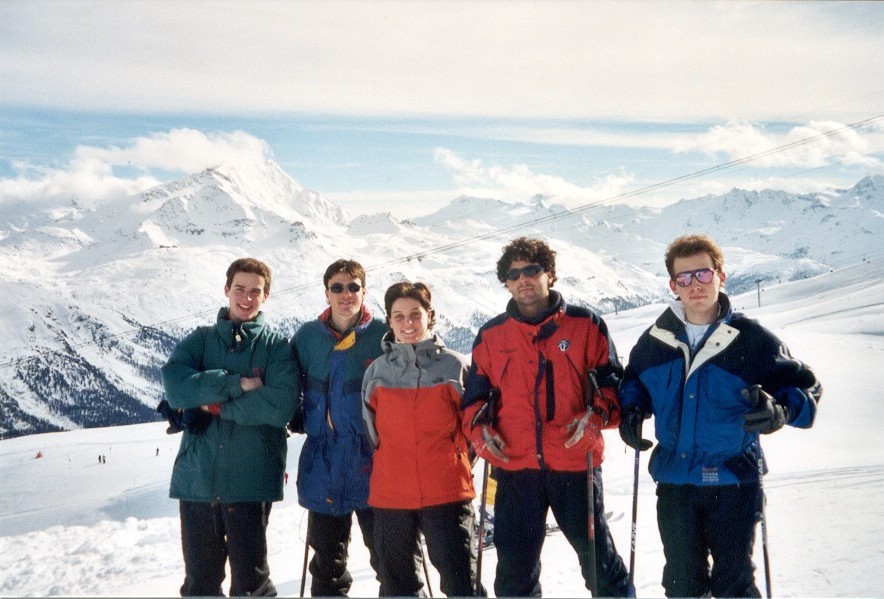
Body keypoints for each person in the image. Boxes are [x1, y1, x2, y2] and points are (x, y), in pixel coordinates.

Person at [618, 234, 822, 598]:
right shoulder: (655, 340)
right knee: (681, 584)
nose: (694, 285)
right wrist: (632, 409)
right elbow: (633, 381)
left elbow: (806, 388)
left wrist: (781, 411)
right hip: (676, 483)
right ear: (673, 286)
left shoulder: (751, 339)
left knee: (734, 584)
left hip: (733, 481)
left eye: (703, 274)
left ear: (721, 277)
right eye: (684, 277)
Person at [461, 236, 631, 597]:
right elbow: (473, 400)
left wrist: (597, 416)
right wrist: (479, 433)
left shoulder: (585, 325)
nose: (523, 279)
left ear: (549, 274)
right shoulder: (491, 335)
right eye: (514, 274)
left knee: (599, 566)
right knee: (514, 576)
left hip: (575, 463)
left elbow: (614, 387)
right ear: (506, 282)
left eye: (532, 270)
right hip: (515, 468)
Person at [161, 257, 298, 597]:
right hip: (198, 479)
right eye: (240, 289)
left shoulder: (276, 348)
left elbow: (280, 406)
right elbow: (176, 387)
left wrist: (212, 404)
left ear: (266, 296)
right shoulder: (201, 340)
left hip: (250, 481)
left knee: (251, 585)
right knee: (200, 585)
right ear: (226, 289)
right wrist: (238, 384)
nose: (246, 298)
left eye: (255, 291)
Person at [362, 282, 480, 597]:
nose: (408, 323)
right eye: (399, 316)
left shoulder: (455, 366)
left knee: (461, 583)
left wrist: (454, 460)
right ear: (389, 321)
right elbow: (373, 432)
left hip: (446, 490)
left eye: (415, 314)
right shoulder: (377, 373)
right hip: (391, 495)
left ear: (430, 315)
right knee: (397, 587)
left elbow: (472, 432)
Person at [289, 259, 389, 596]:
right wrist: (295, 414)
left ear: (364, 291)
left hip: (375, 462)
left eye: (353, 287)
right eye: (337, 287)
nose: (346, 294)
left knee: (391, 561)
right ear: (326, 293)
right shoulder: (308, 337)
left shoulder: (383, 335)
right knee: (327, 566)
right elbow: (286, 381)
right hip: (324, 464)